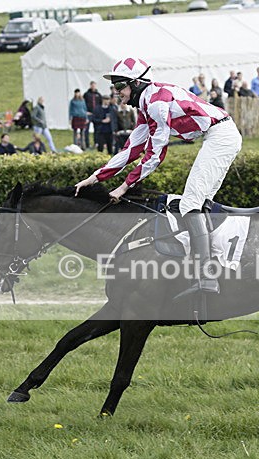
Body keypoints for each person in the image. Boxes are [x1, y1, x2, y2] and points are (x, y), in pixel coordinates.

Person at [74, 57, 242, 299]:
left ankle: (207, 277)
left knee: (190, 204)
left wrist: (124, 186)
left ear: (137, 83)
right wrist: (95, 177)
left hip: (220, 136)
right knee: (198, 205)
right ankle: (207, 267)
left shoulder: (156, 104)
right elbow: (131, 149)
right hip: (218, 135)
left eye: (120, 86)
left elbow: (155, 154)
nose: (117, 93)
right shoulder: (146, 104)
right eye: (115, 87)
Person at [83, 81, 103, 149]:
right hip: (88, 114)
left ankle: (96, 143)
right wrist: (85, 112)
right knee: (86, 130)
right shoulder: (86, 94)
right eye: (92, 85)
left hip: (96, 115)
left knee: (96, 130)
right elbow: (83, 103)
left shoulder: (98, 95)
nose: (93, 86)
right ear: (90, 86)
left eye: (94, 85)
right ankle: (87, 144)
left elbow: (100, 104)